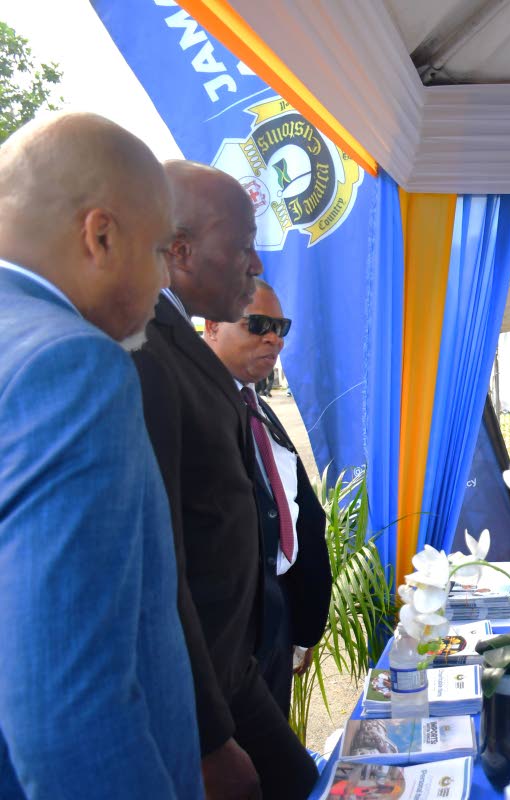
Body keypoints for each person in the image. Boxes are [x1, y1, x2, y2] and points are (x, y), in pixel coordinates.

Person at [0, 113, 203, 797]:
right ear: (102, 235)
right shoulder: (70, 367)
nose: (162, 286)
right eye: (158, 254)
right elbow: (68, 709)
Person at [134, 161, 317, 799]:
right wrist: (210, 733)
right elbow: (160, 563)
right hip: (205, 682)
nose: (256, 265)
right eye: (243, 245)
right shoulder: (146, 355)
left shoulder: (169, 347)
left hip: (235, 664)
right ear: (180, 250)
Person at [206, 278, 332, 717]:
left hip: (275, 622)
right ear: (211, 327)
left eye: (281, 326)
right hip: (228, 634)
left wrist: (300, 623)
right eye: (258, 324)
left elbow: (295, 512)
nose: (273, 337)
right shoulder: (195, 406)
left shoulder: (256, 405)